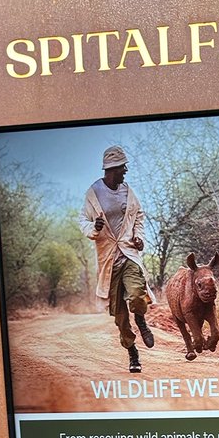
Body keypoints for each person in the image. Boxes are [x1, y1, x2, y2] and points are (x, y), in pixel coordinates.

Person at [80, 146, 156, 375]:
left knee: (137, 294)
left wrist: (139, 237)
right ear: (112, 169)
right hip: (108, 259)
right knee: (120, 316)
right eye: (123, 168)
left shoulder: (128, 191)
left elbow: (139, 216)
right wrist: (94, 227)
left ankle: (141, 320)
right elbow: (83, 221)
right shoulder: (93, 193)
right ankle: (132, 352)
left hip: (129, 252)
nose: (125, 172)